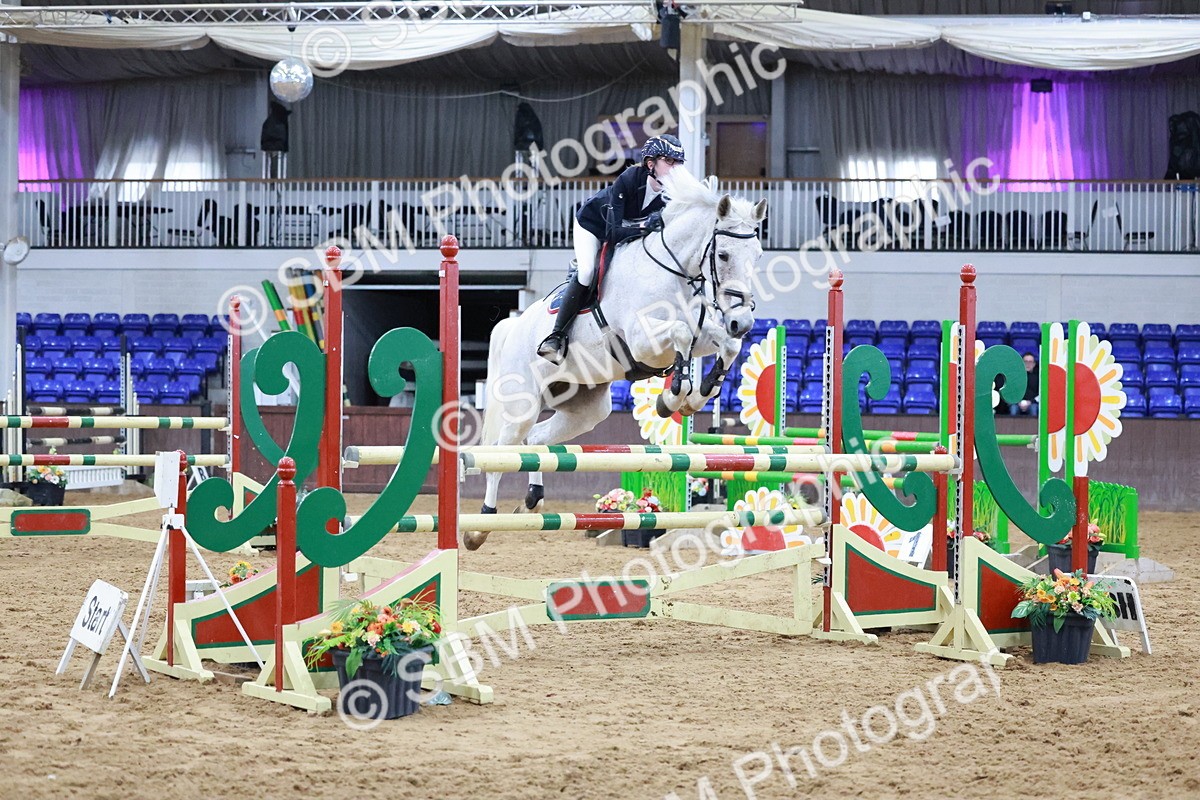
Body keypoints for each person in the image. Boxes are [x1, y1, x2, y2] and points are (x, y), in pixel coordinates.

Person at [536, 134, 686, 364]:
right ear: (650, 163)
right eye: (669, 161)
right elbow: (613, 232)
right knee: (587, 271)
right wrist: (646, 226)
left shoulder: (670, 198)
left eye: (678, 163)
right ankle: (556, 336)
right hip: (592, 226)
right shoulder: (629, 179)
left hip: (625, 235)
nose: (675, 167)